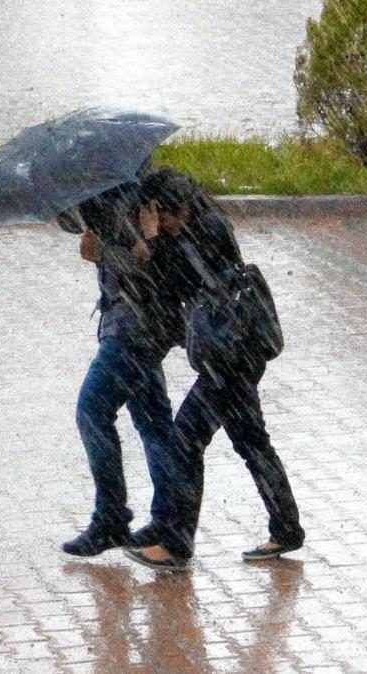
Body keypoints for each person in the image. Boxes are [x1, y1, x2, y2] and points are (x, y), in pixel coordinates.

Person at [121, 168, 306, 571]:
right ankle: (287, 528)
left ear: (164, 208)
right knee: (252, 441)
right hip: (238, 353)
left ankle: (176, 544)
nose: (154, 222)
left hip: (230, 359)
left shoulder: (202, 230)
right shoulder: (201, 223)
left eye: (153, 214)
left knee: (186, 439)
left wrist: (152, 244)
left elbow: (173, 282)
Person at [59, 183, 190, 564]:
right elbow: (72, 223)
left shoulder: (128, 197)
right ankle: (169, 521)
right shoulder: (104, 192)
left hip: (135, 328)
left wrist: (101, 252)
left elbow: (148, 268)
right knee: (154, 424)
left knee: (92, 410)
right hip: (138, 325)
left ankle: (112, 517)